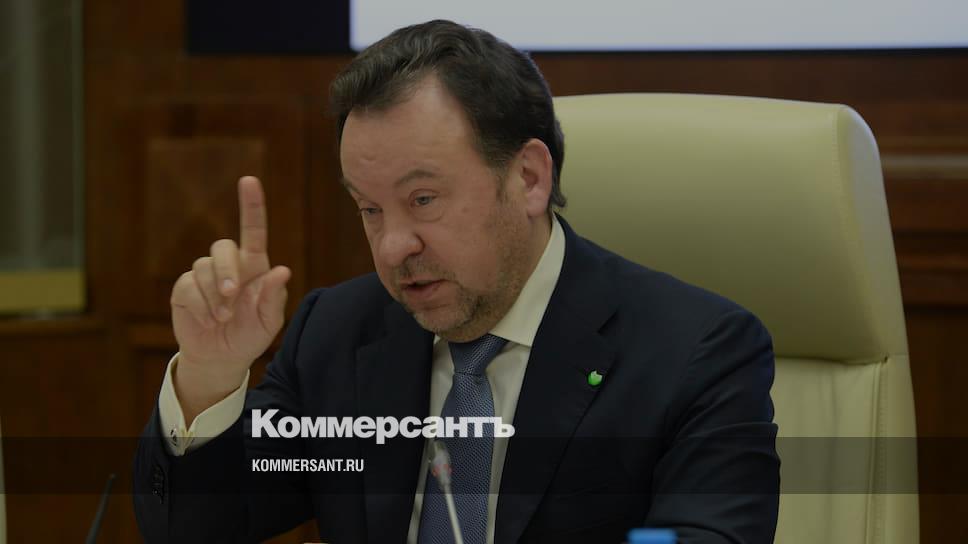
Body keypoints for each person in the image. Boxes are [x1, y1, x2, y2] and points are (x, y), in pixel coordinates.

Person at [133, 19, 779, 544]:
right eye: (369, 209)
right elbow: (192, 528)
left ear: (529, 178)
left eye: (423, 199)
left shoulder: (695, 353)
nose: (393, 246)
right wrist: (210, 375)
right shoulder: (336, 333)